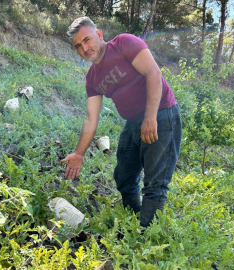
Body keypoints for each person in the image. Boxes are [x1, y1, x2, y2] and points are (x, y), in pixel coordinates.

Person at [60, 17, 182, 228]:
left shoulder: (124, 43)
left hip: (161, 113)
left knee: (155, 183)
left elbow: (153, 72)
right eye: (78, 46)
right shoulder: (92, 78)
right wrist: (79, 153)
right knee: (124, 177)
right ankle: (132, 223)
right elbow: (91, 117)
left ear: (99, 34)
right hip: (133, 122)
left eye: (87, 40)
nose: (85, 48)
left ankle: (146, 239)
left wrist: (150, 117)